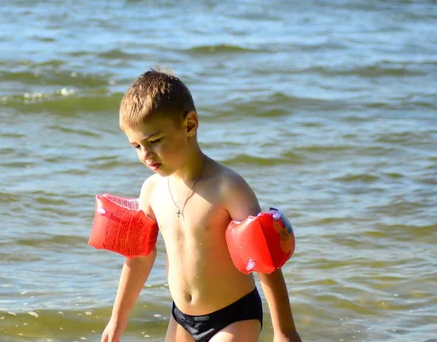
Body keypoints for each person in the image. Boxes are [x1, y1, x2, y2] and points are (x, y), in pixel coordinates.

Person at [101, 67, 302, 342]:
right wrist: (117, 319)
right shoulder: (152, 191)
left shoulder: (227, 186)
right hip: (181, 318)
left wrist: (284, 331)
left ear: (190, 125)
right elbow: (138, 258)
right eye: (136, 146)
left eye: (154, 141)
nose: (146, 155)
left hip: (234, 317)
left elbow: (265, 261)